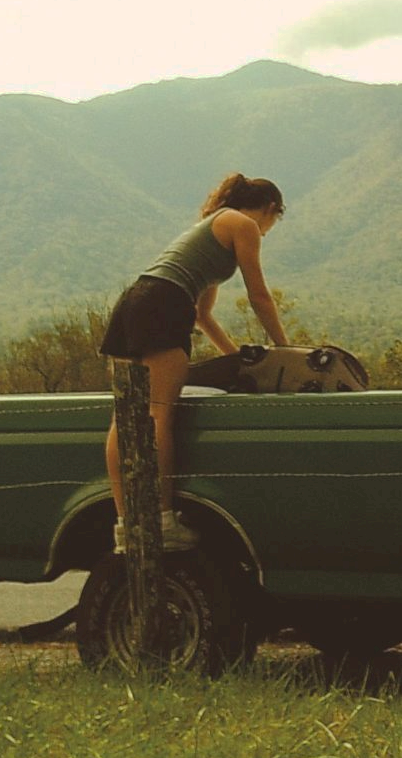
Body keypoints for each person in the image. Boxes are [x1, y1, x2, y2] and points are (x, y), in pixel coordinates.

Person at [99, 173, 290, 551]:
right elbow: (259, 296)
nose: (266, 231)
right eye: (273, 222)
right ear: (270, 209)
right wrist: (285, 351)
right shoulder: (243, 224)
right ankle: (162, 521)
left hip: (135, 300)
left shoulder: (212, 227)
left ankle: (127, 526)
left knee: (126, 417)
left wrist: (234, 356)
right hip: (164, 304)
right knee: (159, 413)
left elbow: (203, 315)